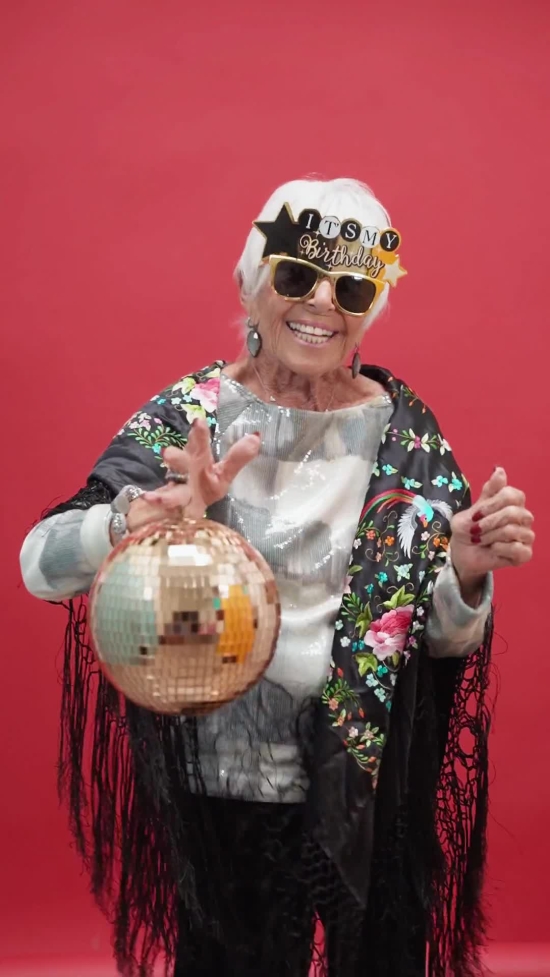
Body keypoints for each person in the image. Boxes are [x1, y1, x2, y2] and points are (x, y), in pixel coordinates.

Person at [20, 177, 534, 977]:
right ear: (250, 285)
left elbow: (438, 639)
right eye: (297, 275)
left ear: (369, 308)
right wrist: (134, 519)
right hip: (227, 777)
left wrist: (464, 573)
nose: (321, 303)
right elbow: (39, 564)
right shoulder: (193, 416)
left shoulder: (406, 437)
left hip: (363, 777)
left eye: (351, 288)